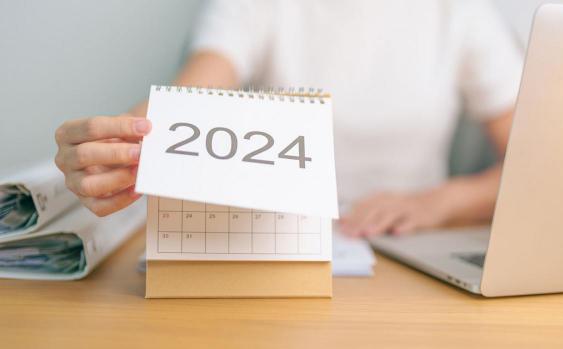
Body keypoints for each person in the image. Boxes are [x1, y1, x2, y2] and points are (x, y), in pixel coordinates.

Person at [54, 0, 522, 237]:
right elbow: (192, 94)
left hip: (408, 245)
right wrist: (116, 145)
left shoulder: (461, 11)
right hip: (276, 246)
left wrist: (442, 202)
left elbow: (536, 162)